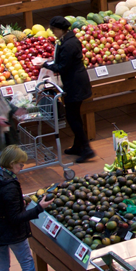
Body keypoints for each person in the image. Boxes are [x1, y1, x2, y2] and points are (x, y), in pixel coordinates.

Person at [36, 16, 94, 162]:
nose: (52, 32)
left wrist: (44, 64)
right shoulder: (68, 40)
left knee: (72, 117)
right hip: (76, 82)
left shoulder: (69, 44)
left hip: (75, 85)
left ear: (60, 29)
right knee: (74, 116)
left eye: (54, 29)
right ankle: (78, 146)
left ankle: (86, 149)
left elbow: (62, 67)